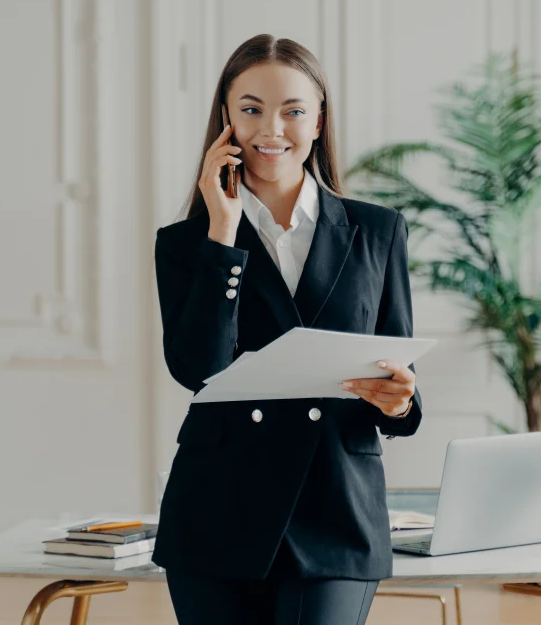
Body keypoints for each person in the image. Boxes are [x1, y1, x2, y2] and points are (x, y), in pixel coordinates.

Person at [152, 34, 423, 625]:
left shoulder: (378, 230)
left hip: (336, 509)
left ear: (319, 121)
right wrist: (222, 239)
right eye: (250, 109)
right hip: (218, 509)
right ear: (225, 119)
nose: (271, 128)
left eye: (293, 111)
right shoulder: (185, 244)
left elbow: (399, 375)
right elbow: (197, 369)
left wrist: (399, 402)